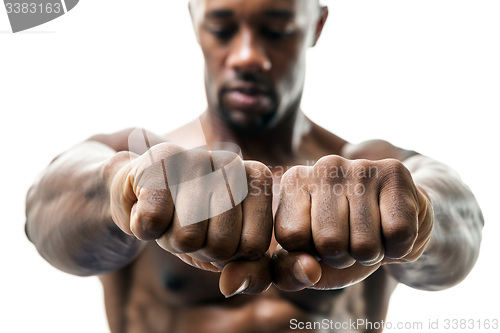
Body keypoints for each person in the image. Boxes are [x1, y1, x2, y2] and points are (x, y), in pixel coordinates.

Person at [25, 0, 484, 332]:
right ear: (194, 18)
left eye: (277, 29)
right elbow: (44, 210)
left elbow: (462, 222)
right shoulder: (142, 166)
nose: (246, 56)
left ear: (316, 24)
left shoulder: (368, 170)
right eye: (222, 28)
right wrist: (119, 189)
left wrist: (417, 214)